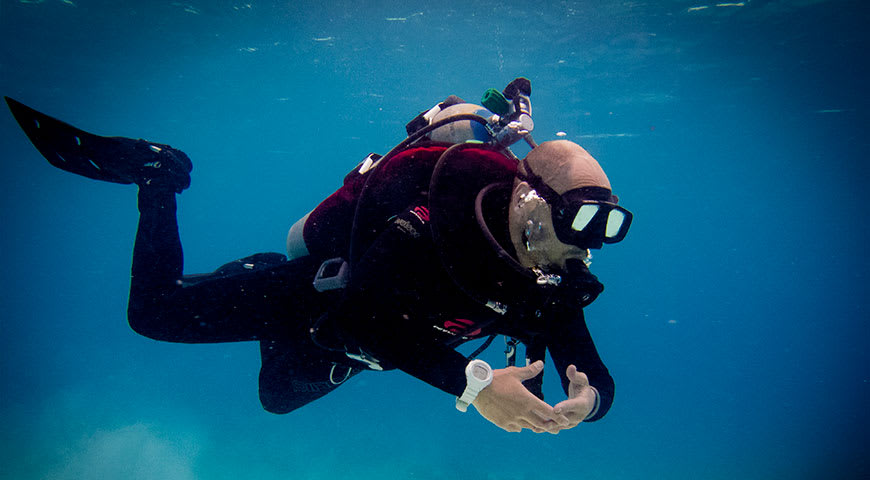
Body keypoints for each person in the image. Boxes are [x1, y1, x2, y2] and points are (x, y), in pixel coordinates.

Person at [5, 80, 632, 434]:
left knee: (276, 397)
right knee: (153, 315)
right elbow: (360, 320)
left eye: (605, 229)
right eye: (573, 219)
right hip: (322, 296)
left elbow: (589, 368)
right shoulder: (435, 219)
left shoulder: (551, 277)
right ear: (526, 197)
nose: (583, 245)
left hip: (364, 346)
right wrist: (475, 385)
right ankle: (158, 175)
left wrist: (588, 402)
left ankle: (246, 273)